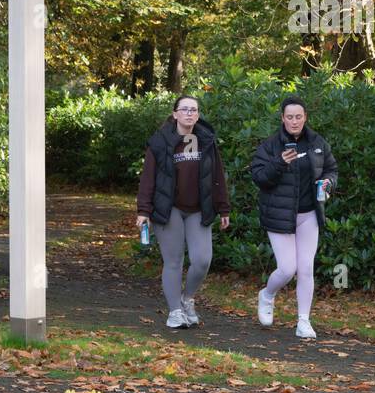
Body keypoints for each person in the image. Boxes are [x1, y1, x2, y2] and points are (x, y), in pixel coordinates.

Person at [136, 95, 231, 328]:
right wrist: (143, 210)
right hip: (169, 209)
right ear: (175, 113)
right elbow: (148, 178)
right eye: (184, 109)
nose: (189, 113)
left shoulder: (206, 140)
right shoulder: (160, 142)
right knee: (173, 262)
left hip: (199, 208)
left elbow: (217, 176)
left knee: (202, 260)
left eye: (194, 110)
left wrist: (223, 207)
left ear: (198, 115)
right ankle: (175, 312)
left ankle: (187, 299)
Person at [248, 95, 338, 339]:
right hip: (279, 216)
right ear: (282, 118)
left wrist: (328, 183)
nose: (295, 121)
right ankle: (267, 295)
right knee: (287, 269)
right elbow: (259, 178)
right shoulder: (270, 146)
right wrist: (279, 163)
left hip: (309, 214)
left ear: (305, 117)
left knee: (306, 268)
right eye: (290, 117)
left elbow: (331, 169)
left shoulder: (318, 142)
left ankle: (303, 321)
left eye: (299, 116)